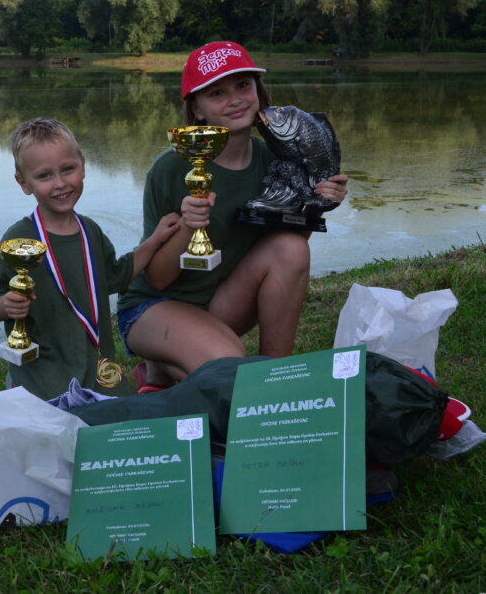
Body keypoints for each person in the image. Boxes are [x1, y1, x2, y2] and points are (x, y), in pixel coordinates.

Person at [117, 41, 349, 392]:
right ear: (197, 109)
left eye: (243, 85)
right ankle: (164, 365)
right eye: (218, 93)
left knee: (291, 249)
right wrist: (188, 225)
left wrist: (316, 202)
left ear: (259, 89)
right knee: (230, 369)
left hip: (221, 303)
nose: (236, 98)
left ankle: (276, 378)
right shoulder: (170, 168)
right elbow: (159, 279)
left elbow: (288, 247)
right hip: (155, 307)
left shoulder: (275, 160)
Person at [0, 118, 180, 400]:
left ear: (83, 165)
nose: (60, 183)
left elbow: (117, 275)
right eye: (44, 176)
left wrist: (155, 239)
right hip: (42, 368)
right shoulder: (20, 237)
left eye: (68, 169)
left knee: (126, 426)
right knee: (53, 427)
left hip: (94, 363)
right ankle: (18, 386)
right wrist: (7, 304)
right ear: (24, 183)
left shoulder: (90, 232)